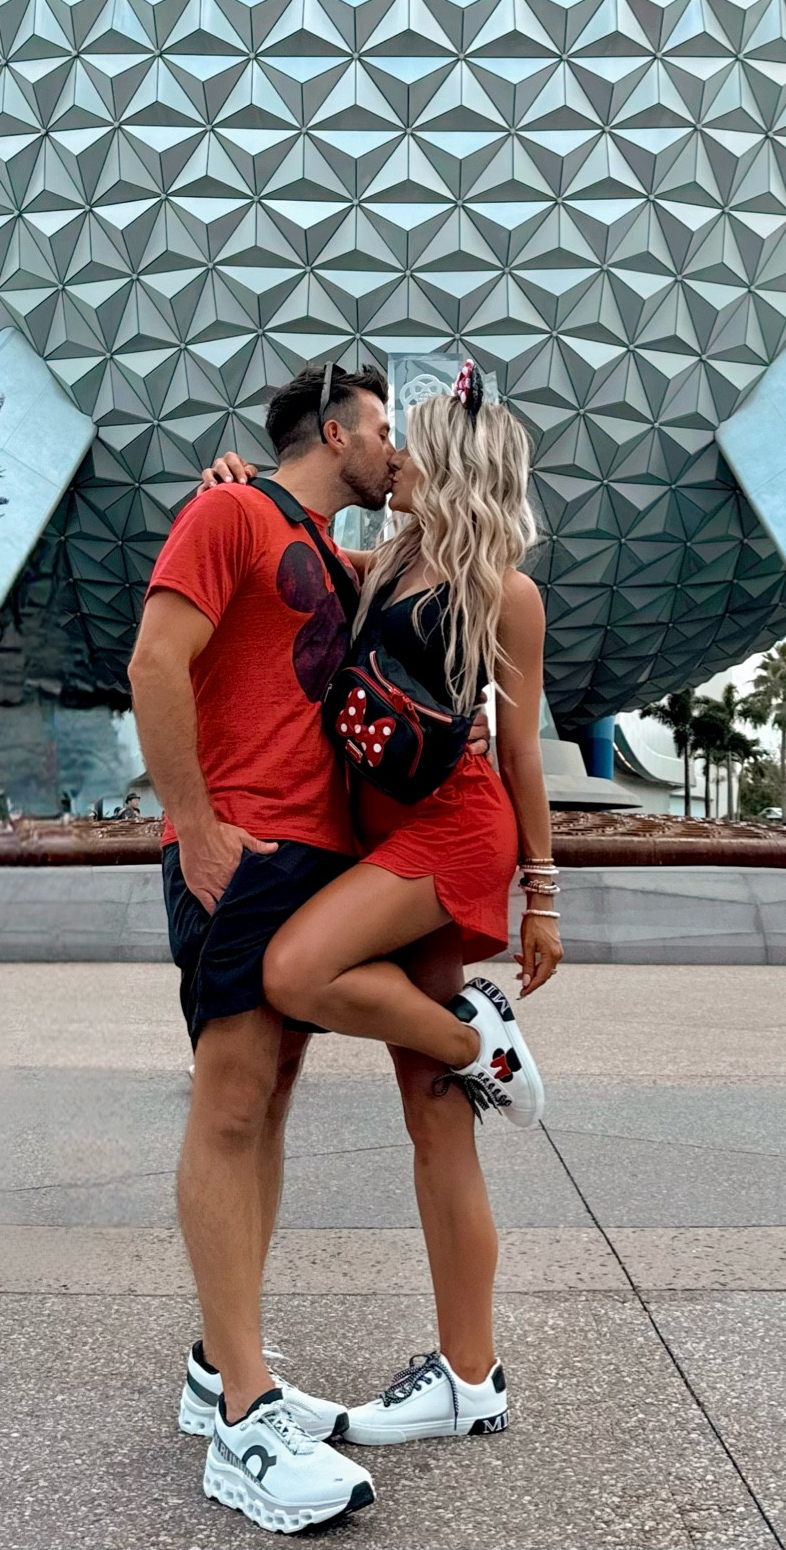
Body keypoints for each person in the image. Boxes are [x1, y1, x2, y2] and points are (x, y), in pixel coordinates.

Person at [257, 361, 561, 1450]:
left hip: (452, 829)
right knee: (433, 1125)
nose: (391, 456)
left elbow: (521, 750)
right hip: (383, 831)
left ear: (450, 462)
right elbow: (284, 537)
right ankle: (469, 1378)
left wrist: (543, 892)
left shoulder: (503, 590)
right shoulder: (381, 564)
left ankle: (477, 1040)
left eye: (408, 441)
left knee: (295, 970)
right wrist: (234, 485)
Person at [129, 362, 395, 1532]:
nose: (395, 448)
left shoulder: (336, 553)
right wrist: (194, 827)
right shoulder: (226, 508)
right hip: (244, 844)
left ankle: (217, 1359)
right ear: (333, 430)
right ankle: (243, 1420)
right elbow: (154, 660)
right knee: (230, 1102)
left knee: (270, 1098)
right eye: (383, 429)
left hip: (315, 852)